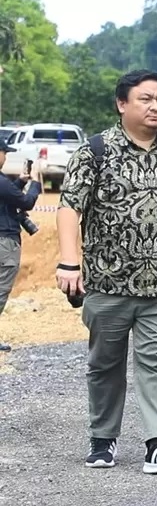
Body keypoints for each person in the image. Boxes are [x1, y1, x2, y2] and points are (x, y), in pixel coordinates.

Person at [56, 69, 157, 474]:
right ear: (122, 104)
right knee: (105, 364)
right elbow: (68, 207)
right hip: (107, 282)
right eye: (146, 99)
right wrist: (69, 262)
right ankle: (103, 440)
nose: (155, 107)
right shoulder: (95, 151)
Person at [0, 143, 42, 352]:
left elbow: (7, 195)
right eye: (4, 153)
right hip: (4, 241)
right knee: (1, 289)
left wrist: (18, 181)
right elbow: (26, 202)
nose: (5, 158)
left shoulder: (4, 183)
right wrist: (35, 183)